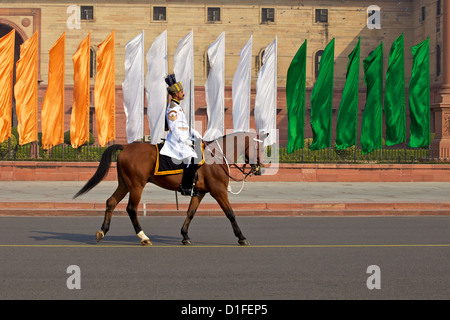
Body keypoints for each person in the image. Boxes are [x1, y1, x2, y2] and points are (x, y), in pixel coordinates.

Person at [160, 74, 202, 196]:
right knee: (194, 158)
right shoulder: (172, 108)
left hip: (184, 138)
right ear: (176, 94)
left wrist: (195, 133)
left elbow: (185, 127)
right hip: (176, 141)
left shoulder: (177, 107)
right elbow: (175, 129)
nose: (183, 93)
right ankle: (186, 187)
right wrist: (186, 141)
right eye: (181, 91)